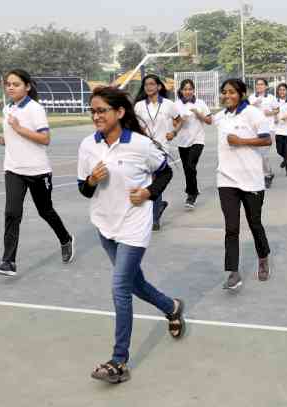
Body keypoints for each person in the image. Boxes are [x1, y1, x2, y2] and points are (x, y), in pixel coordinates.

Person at [79, 86, 184, 384]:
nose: (96, 116)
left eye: (102, 110)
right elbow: (83, 189)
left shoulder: (140, 145)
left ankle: (118, 361)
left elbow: (165, 172)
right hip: (104, 223)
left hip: (134, 225)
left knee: (119, 288)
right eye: (93, 111)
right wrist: (90, 179)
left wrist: (149, 192)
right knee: (134, 283)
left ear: (120, 112)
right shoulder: (88, 145)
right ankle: (171, 306)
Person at [0, 69, 75, 277]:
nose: (10, 87)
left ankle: (65, 239)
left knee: (45, 211)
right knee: (12, 213)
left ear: (27, 87)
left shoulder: (35, 109)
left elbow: (45, 139)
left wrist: (18, 130)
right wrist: (6, 139)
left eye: (16, 84)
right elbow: (14, 135)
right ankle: (8, 262)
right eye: (8, 84)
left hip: (38, 171)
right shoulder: (7, 108)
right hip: (13, 169)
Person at [209, 79, 273, 290]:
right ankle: (233, 272)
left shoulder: (254, 114)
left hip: (252, 180)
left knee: (255, 223)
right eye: (224, 92)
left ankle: (263, 257)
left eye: (232, 92)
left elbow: (266, 140)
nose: (227, 96)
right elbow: (208, 119)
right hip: (226, 179)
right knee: (231, 228)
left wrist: (241, 141)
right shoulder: (221, 117)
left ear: (242, 93)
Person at [134, 74, 181, 231]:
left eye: (152, 84)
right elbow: (134, 124)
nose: (149, 87)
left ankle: (154, 218)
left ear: (159, 87)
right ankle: (157, 206)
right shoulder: (139, 106)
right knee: (145, 181)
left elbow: (179, 120)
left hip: (161, 148)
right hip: (143, 147)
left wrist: (174, 132)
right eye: (146, 84)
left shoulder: (169, 105)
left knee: (155, 180)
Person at [174, 79, 211, 209]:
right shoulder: (176, 105)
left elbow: (209, 121)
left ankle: (191, 195)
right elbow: (173, 123)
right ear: (181, 91)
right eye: (185, 89)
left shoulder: (200, 103)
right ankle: (193, 189)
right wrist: (181, 120)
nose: (188, 91)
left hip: (198, 140)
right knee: (187, 169)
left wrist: (198, 113)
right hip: (182, 141)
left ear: (193, 90)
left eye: (190, 89)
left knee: (190, 165)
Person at [248, 79, 279, 189]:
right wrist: (253, 104)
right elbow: (247, 111)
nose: (259, 86)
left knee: (263, 154)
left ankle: (267, 175)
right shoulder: (251, 97)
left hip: (268, 129)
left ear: (266, 86)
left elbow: (277, 110)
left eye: (261, 84)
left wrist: (269, 113)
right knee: (256, 154)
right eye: (257, 84)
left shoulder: (271, 97)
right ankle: (265, 174)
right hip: (255, 130)